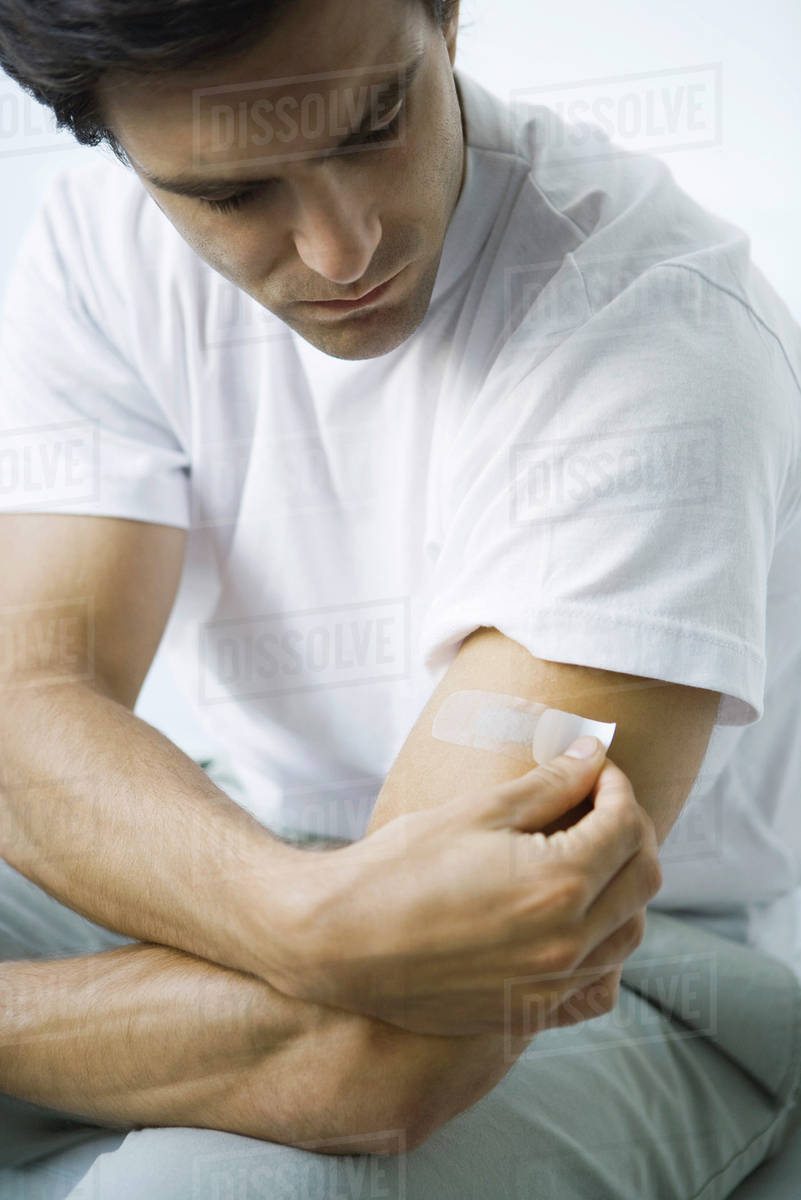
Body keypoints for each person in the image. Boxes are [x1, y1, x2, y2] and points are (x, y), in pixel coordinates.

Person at [0, 0, 800, 1196]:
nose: (341, 250)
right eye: (232, 196)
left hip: (644, 976)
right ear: (115, 144)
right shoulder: (97, 250)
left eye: (375, 124)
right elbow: (31, 693)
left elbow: (381, 1060)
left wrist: (288, 937)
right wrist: (294, 917)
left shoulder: (655, 332)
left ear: (449, 14)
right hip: (264, 854)